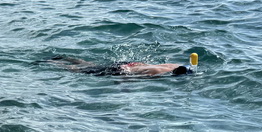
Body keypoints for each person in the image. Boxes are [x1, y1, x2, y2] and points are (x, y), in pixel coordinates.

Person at [52, 56, 193, 79]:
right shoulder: (156, 73)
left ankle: (64, 58)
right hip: (122, 70)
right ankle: (55, 63)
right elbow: (129, 77)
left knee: (90, 65)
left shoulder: (172, 65)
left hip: (129, 64)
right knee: (80, 71)